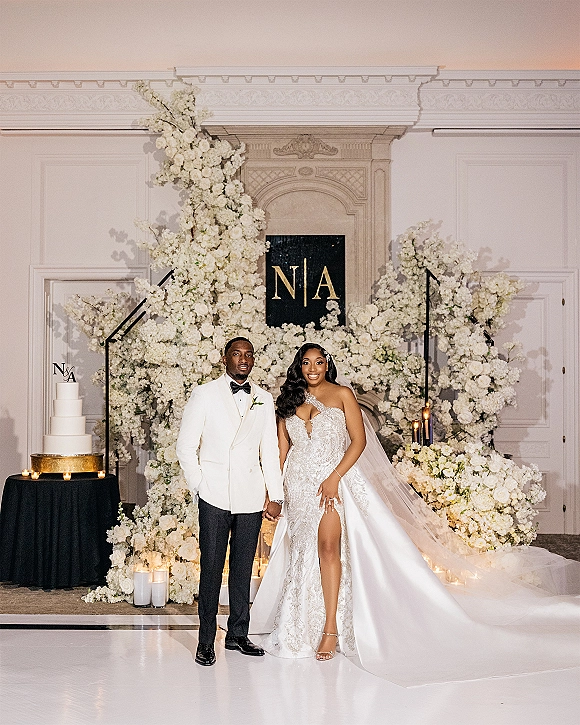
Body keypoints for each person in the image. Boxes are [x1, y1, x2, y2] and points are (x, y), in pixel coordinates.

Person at [250, 343, 580, 686]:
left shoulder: (343, 394)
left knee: (330, 550)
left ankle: (331, 629)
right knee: (304, 553)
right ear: (299, 367)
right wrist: (273, 496)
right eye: (306, 362)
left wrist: (334, 477)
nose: (313, 368)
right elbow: (279, 453)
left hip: (331, 483)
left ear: (328, 365)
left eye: (319, 362)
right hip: (298, 487)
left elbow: (359, 441)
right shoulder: (287, 402)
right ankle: (298, 625)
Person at [177, 337, 284, 667]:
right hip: (215, 494)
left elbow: (270, 450)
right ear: (225, 358)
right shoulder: (205, 394)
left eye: (249, 354)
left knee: (243, 568)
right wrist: (201, 486)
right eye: (237, 353)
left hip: (250, 493)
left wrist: (275, 494)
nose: (243, 359)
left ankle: (238, 634)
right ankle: (206, 640)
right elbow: (185, 447)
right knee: (210, 568)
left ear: (253, 360)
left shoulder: (264, 399)